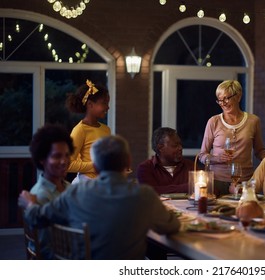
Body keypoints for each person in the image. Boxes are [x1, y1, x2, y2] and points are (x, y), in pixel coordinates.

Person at [18, 135, 180, 260]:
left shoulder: (75, 193)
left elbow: (37, 217)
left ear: (95, 166)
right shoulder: (145, 195)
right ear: (128, 162)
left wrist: (30, 204)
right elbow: (171, 226)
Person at [198, 80, 265, 197]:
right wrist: (217, 158)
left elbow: (259, 151)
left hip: (244, 181)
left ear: (238, 97)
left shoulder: (253, 121)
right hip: (217, 182)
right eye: (220, 100)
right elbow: (202, 155)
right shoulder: (213, 122)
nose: (223, 103)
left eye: (226, 98)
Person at [28, 123, 75, 259]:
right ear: (42, 159)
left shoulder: (69, 187)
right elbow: (47, 250)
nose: (64, 161)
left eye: (67, 155)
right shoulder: (41, 196)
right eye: (57, 156)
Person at [65, 79, 111, 183]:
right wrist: (94, 166)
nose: (108, 107)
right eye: (104, 103)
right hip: (86, 184)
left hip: (104, 183)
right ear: (90, 104)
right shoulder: (80, 130)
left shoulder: (106, 129)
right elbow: (68, 164)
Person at [137, 127, 194, 195]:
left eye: (180, 144)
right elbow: (150, 192)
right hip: (157, 206)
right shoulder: (145, 168)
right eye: (175, 145)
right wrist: (186, 187)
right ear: (160, 147)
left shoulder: (190, 166)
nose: (180, 148)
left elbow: (200, 189)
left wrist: (163, 189)